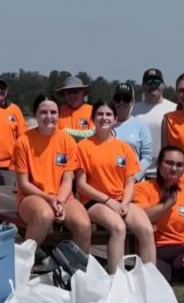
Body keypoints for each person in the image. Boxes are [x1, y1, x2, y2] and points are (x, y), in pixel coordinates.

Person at [75, 100, 155, 272]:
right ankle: (115, 281)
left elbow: (129, 181)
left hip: (121, 200)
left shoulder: (124, 148)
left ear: (115, 118)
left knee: (146, 229)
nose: (104, 118)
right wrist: (108, 201)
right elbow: (81, 184)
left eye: (108, 114)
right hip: (94, 202)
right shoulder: (83, 146)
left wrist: (125, 203)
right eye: (100, 114)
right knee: (118, 227)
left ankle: (150, 281)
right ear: (92, 118)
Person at [133, 146, 184, 303]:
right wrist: (167, 204)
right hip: (155, 251)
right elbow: (141, 217)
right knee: (155, 284)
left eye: (179, 165)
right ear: (159, 165)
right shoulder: (142, 189)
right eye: (169, 163)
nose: (174, 168)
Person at [13, 94, 92, 251]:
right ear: (35, 114)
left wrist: (60, 201)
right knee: (45, 215)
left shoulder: (68, 141)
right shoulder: (23, 142)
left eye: (53, 112)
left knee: (83, 224)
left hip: (62, 197)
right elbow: (23, 183)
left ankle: (77, 271)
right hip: (32, 196)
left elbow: (68, 180)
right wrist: (50, 199)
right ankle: (26, 261)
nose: (49, 117)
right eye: (43, 112)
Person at [130, 68, 177, 179]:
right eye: (149, 82)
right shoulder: (132, 110)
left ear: (163, 85)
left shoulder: (174, 109)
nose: (153, 86)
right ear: (143, 86)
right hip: (136, 173)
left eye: (156, 82)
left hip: (164, 173)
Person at [109, 83, 154, 180]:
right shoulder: (105, 125)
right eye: (118, 98)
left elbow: (147, 157)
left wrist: (133, 178)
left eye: (126, 99)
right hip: (109, 181)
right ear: (113, 101)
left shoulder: (141, 125)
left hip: (134, 183)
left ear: (132, 102)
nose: (122, 102)